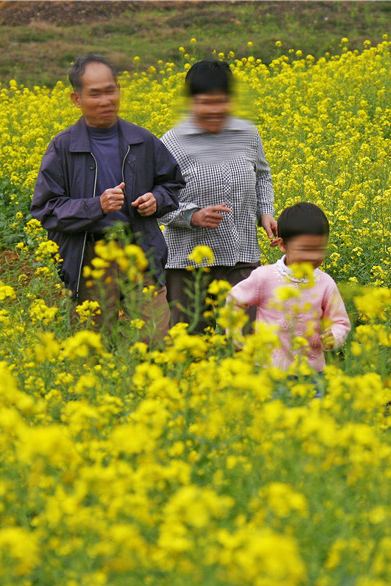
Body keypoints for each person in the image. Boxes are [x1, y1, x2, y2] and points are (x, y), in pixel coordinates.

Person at [31, 53, 185, 346]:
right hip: (91, 258)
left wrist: (157, 199)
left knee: (158, 340)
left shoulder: (142, 140)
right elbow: (45, 209)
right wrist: (96, 206)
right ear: (76, 99)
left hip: (139, 250)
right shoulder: (63, 147)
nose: (106, 100)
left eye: (111, 90)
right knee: (96, 347)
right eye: (95, 94)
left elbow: (172, 183)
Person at [160, 60, 277, 333]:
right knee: (191, 344)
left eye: (221, 102)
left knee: (246, 341)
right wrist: (192, 215)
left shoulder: (247, 133)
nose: (214, 110)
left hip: (242, 255)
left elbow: (262, 175)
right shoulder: (171, 142)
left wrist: (265, 211)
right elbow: (158, 200)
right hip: (188, 264)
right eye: (204, 102)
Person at [227, 202, 351, 372]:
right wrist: (234, 333)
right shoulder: (264, 277)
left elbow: (340, 322)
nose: (313, 256)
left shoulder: (325, 283)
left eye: (319, 249)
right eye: (305, 249)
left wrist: (334, 336)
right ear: (282, 245)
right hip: (268, 372)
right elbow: (234, 299)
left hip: (311, 374)